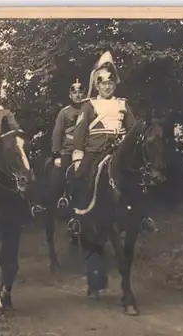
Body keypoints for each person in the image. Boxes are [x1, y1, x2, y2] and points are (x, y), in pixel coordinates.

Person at [67, 51, 156, 236]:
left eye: (110, 83)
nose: (107, 87)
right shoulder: (89, 105)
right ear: (97, 85)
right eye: (103, 84)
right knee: (80, 175)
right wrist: (77, 155)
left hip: (119, 151)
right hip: (95, 151)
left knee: (137, 178)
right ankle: (77, 217)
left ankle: (143, 216)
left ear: (114, 85)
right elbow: (80, 132)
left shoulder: (122, 104)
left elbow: (133, 129)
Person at [51, 78, 87, 206]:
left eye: (80, 93)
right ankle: (63, 196)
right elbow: (57, 133)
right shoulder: (64, 112)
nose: (77, 95)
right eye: (74, 93)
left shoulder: (89, 110)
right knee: (63, 172)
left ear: (84, 94)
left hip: (86, 148)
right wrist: (56, 153)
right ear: (70, 96)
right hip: (69, 149)